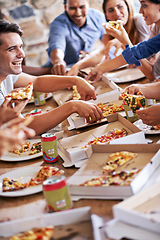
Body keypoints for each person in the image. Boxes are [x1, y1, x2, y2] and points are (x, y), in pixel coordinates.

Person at [0, 19, 103, 135]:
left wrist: (76, 80)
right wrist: (72, 106)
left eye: (20, 47)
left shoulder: (6, 73)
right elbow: (25, 126)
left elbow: (37, 81)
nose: (21, 54)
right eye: (12, 49)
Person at [67, 0, 150, 76]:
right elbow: (99, 53)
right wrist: (77, 66)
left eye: (120, 7)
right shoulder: (110, 32)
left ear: (127, 7)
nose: (117, 13)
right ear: (106, 16)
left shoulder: (141, 21)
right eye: (111, 10)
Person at [86, 0, 160, 82]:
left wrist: (124, 41)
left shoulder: (141, 21)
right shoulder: (156, 28)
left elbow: (153, 74)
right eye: (111, 10)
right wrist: (100, 69)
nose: (140, 11)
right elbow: (142, 52)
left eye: (144, 5)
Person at [42, 0, 106, 76]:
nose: (78, 13)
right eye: (72, 8)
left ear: (88, 4)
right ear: (65, 8)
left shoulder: (98, 17)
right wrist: (58, 61)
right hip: (60, 71)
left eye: (82, 7)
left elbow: (107, 43)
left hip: (85, 67)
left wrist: (92, 56)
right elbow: (57, 46)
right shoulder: (58, 24)